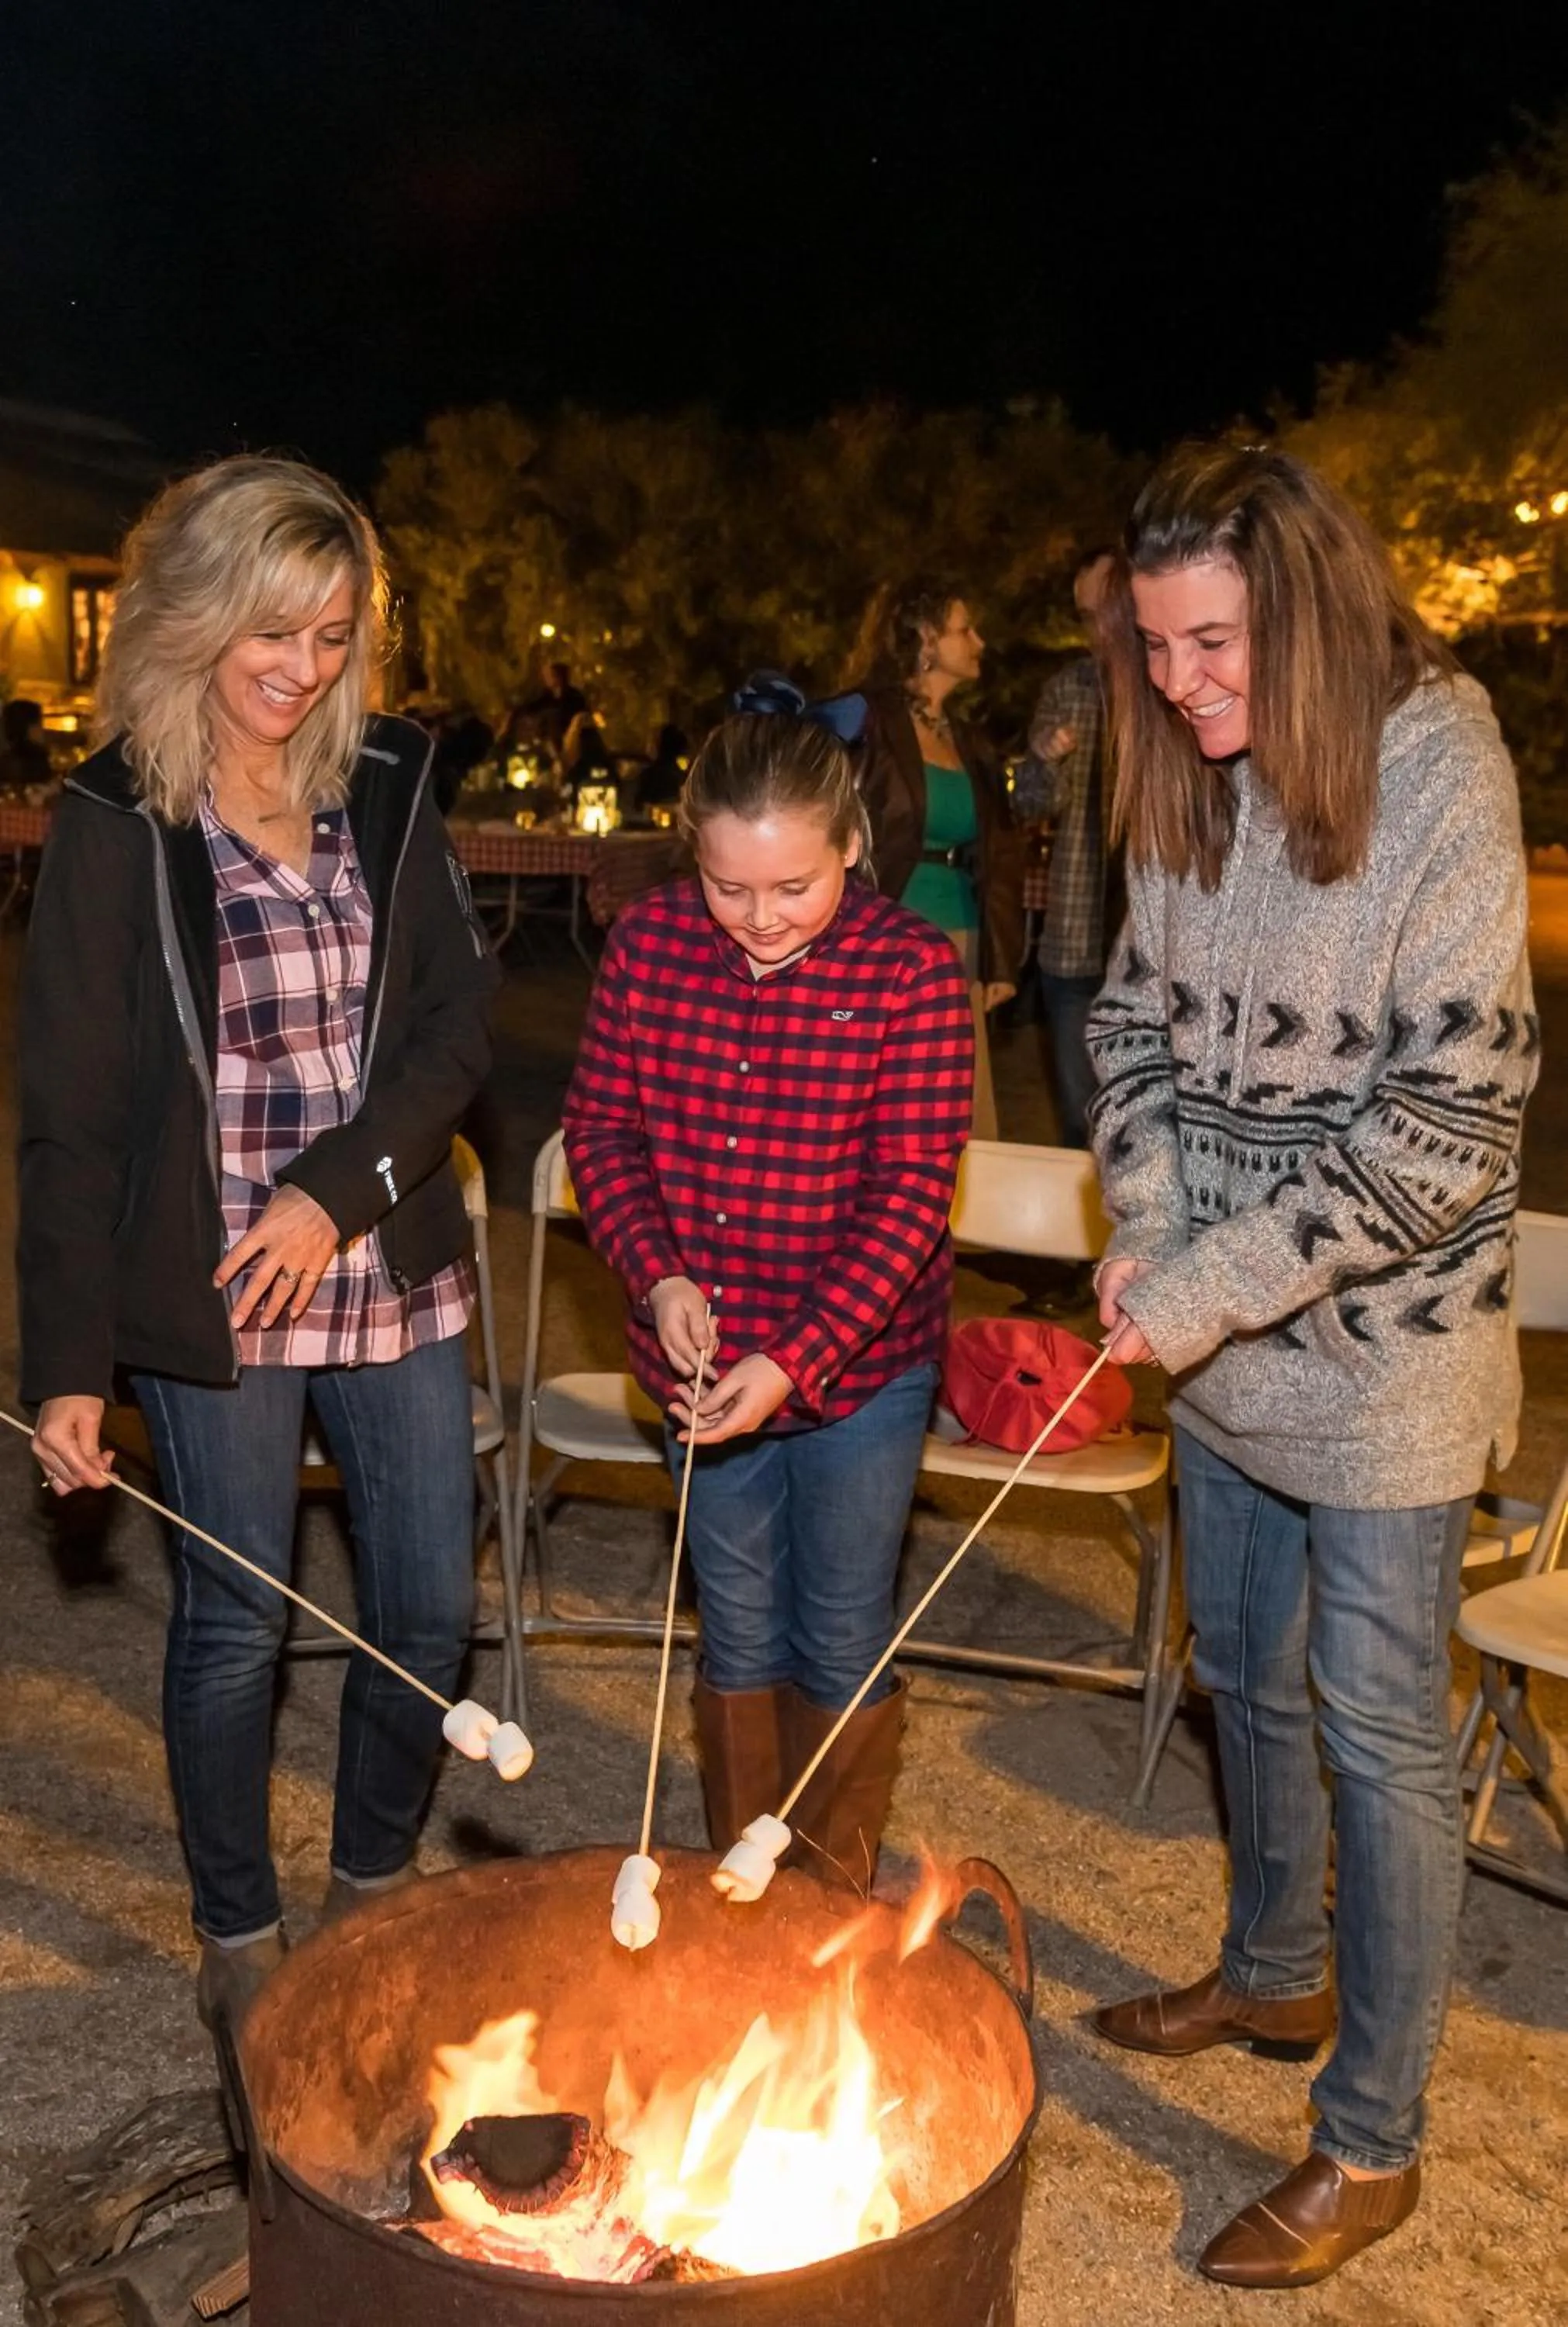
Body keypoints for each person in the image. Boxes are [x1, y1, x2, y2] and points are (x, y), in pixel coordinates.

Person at [1086, 444, 1538, 2290]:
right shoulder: (1177, 769)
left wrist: (1201, 1286)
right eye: (1155, 647)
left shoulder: (1437, 763)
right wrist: (1141, 1211)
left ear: (1311, 609)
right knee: (1235, 1680)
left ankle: (1368, 2139)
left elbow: (1445, 1126)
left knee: (1369, 1732)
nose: (1183, 683)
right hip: (1220, 1340)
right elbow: (1121, 1019)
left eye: (1214, 645)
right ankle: (1270, 1969)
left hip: (1388, 1363)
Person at [19, 455, 499, 2039]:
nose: (303, 669)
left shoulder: (390, 777)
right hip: (218, 1291)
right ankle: (240, 1929)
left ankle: (367, 1889)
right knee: (240, 1620)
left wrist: (339, 1187)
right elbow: (73, 1120)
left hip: (386, 1259)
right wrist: (71, 1369)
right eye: (272, 633)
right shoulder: (111, 821)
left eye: (334, 633)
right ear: (201, 620)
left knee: (427, 1613)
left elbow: (453, 1028)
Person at [562, 691, 973, 1888]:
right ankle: (741, 1900)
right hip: (697, 1360)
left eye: (793, 887)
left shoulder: (909, 973)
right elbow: (601, 1132)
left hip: (861, 1371)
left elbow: (910, 1196)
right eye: (727, 886)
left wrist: (795, 1356)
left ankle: (829, 1913)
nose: (758, 920)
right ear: (690, 848)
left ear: (850, 841)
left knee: (840, 1630)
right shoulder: (648, 947)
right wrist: (658, 1274)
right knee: (738, 1625)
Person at [844, 578, 1024, 1140]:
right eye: (963, 628)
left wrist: (999, 958)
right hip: (885, 937)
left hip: (960, 939)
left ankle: (954, 1225)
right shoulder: (866, 723)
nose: (980, 641)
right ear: (925, 637)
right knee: (883, 1105)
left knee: (959, 1111)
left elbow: (997, 850)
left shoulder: (969, 739)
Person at [1011, 548, 1118, 1148]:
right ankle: (1087, 1246)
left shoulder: (1176, 691)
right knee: (1082, 1123)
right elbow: (1028, 803)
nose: (1095, 626)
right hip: (1077, 943)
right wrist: (1047, 763)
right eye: (1085, 613)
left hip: (1157, 956)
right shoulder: (1068, 689)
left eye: (1106, 608)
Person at [0, 697, 54, 792]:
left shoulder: (6, 760)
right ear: (29, 728)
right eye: (39, 724)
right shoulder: (35, 760)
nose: (42, 730)